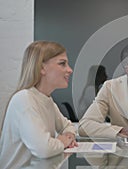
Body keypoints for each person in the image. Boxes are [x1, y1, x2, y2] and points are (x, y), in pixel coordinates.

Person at [0, 41, 78, 169]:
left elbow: (68, 126)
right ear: (42, 68)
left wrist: (69, 136)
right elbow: (44, 149)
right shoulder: (24, 99)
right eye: (62, 63)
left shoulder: (46, 99)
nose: (70, 70)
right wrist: (62, 141)